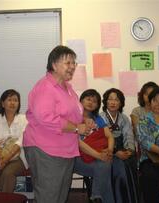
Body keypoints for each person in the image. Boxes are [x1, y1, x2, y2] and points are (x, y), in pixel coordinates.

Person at [23, 45, 93, 203]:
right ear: (54, 65)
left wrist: (84, 121)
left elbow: (74, 113)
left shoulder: (68, 88)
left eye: (74, 63)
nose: (73, 67)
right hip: (45, 149)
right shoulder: (45, 87)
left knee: (60, 196)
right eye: (68, 63)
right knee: (49, 197)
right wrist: (76, 127)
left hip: (65, 149)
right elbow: (46, 117)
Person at [74, 89, 115, 203]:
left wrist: (109, 150)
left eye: (95, 101)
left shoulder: (98, 118)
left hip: (97, 158)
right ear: (81, 100)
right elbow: (78, 143)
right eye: (88, 99)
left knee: (105, 163)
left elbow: (110, 136)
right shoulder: (73, 117)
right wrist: (99, 155)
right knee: (105, 166)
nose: (91, 102)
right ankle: (96, 198)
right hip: (78, 159)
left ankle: (96, 197)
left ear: (97, 105)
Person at [100, 88, 139, 203]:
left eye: (116, 100)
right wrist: (115, 152)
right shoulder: (99, 118)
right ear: (105, 102)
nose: (113, 102)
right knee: (119, 165)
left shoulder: (124, 118)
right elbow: (100, 139)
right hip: (107, 148)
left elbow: (129, 135)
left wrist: (129, 150)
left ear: (121, 103)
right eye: (110, 99)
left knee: (130, 161)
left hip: (123, 147)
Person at [0, 89, 28, 193]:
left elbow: (20, 142)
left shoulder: (24, 119)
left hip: (18, 158)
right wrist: (1, 159)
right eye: (9, 100)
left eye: (15, 100)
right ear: (2, 103)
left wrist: (6, 159)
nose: (13, 103)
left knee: (8, 173)